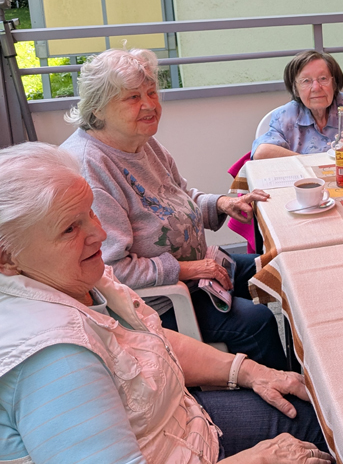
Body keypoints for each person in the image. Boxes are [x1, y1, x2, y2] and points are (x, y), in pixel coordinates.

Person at [0, 142, 330, 463]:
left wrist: (248, 371)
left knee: (317, 412)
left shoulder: (66, 277)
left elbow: (151, 339)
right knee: (326, 431)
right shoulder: (54, 362)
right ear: (4, 256)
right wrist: (257, 458)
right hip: (178, 445)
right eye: (70, 228)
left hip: (178, 425)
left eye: (90, 214)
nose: (99, 233)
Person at [60, 48, 286, 370]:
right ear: (99, 107)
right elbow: (108, 269)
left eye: (151, 92)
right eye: (133, 97)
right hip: (157, 302)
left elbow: (180, 196)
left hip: (197, 270)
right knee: (257, 321)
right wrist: (189, 270)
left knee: (281, 266)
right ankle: (286, 403)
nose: (150, 105)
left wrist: (222, 204)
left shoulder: (142, 141)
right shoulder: (91, 167)